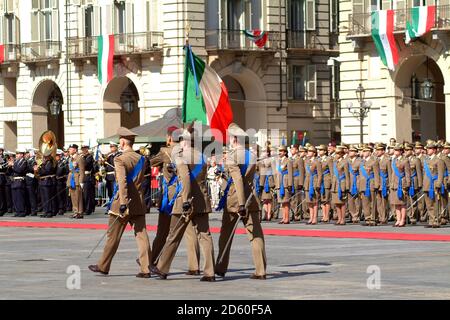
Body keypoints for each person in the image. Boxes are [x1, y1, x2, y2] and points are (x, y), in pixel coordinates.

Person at [152, 126, 215, 282]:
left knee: (173, 235)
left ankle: (162, 267)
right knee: (205, 236)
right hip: (201, 201)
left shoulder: (180, 154)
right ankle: (210, 272)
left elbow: (186, 178)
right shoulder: (201, 156)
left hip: (184, 201)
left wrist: (186, 199)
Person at [89, 127, 152, 278]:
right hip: (138, 201)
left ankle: (103, 265)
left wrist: (123, 202)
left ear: (123, 142)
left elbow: (122, 182)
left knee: (113, 236)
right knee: (142, 235)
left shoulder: (119, 159)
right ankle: (146, 268)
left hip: (122, 204)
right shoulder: (142, 159)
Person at [215, 123, 266, 280]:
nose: (229, 140)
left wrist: (241, 204)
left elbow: (237, 180)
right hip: (252, 199)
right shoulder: (252, 155)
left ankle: (221, 266)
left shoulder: (232, 155)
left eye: (230, 138)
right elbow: (256, 175)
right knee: (256, 236)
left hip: (236, 201)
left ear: (234, 139)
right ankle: (261, 270)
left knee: (225, 235)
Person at [423, 141, 445, 228]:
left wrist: (439, 184)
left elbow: (440, 173)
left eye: (429, 148)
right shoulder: (426, 160)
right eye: (427, 148)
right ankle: (431, 220)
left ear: (434, 150)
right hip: (427, 184)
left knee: (435, 203)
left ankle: (436, 220)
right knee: (428, 204)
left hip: (434, 184)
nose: (427, 150)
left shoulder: (439, 160)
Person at [389, 143, 411, 227]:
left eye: (397, 150)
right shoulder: (394, 160)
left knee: (402, 203)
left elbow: (407, 173)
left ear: (401, 151)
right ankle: (398, 219)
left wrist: (407, 184)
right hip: (394, 184)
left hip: (401, 184)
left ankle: (403, 220)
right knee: (396, 203)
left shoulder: (405, 160)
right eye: (395, 150)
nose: (395, 151)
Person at [359, 145, 380, 226]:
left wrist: (377, 184)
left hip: (371, 183)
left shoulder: (374, 161)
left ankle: (373, 218)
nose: (364, 152)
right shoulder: (362, 162)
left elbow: (376, 174)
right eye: (363, 151)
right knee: (365, 203)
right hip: (363, 185)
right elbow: (360, 175)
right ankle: (367, 218)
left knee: (372, 202)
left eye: (366, 151)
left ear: (370, 152)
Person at [405, 143, 422, 224]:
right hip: (406, 182)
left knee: (413, 199)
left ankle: (413, 216)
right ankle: (408, 215)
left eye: (408, 150)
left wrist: (420, 184)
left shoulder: (416, 160)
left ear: (412, 151)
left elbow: (419, 172)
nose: (406, 151)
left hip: (413, 181)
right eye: (405, 150)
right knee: (407, 200)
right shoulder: (404, 160)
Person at [304, 145, 322, 225]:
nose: (308, 152)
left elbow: (320, 174)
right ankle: (311, 217)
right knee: (309, 202)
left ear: (314, 153)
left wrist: (318, 184)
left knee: (314, 202)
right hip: (308, 183)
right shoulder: (306, 161)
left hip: (314, 183)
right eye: (308, 151)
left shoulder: (317, 162)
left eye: (310, 151)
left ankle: (315, 218)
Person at [331, 146, 349, 225]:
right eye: (336, 153)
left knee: (342, 202)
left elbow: (347, 175)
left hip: (342, 183)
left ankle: (343, 219)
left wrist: (347, 186)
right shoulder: (334, 162)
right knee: (336, 203)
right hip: (335, 184)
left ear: (342, 154)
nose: (336, 155)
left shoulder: (344, 162)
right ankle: (339, 218)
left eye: (338, 153)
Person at [275, 145, 293, 224]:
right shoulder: (278, 161)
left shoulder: (288, 161)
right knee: (282, 202)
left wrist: (290, 184)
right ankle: (283, 217)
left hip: (285, 183)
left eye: (281, 151)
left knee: (286, 202)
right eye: (279, 151)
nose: (279, 153)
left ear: (285, 152)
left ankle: (287, 218)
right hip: (279, 183)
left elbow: (290, 173)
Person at [67, 144, 85, 219]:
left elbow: (82, 170)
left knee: (78, 197)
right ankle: (75, 211)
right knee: (73, 197)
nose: (69, 150)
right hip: (71, 178)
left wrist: (81, 181)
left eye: (70, 149)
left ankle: (80, 212)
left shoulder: (79, 158)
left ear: (75, 150)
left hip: (77, 178)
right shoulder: (70, 158)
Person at [36, 154, 57, 218]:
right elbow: (39, 172)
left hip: (47, 181)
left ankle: (49, 212)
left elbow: (46, 171)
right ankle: (45, 211)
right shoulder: (44, 164)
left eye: (44, 157)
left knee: (47, 198)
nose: (43, 159)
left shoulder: (49, 163)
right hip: (42, 182)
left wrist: (40, 166)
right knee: (43, 198)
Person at [375, 143, 391, 224]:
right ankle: (380, 216)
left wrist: (389, 185)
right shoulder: (375, 160)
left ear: (383, 151)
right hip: (377, 184)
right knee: (379, 202)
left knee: (384, 202)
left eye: (378, 150)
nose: (377, 152)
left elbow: (390, 174)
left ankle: (384, 218)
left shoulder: (387, 160)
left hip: (384, 184)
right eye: (376, 150)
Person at [258, 147, 275, 221]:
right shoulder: (260, 160)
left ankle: (269, 214)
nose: (263, 153)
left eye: (264, 151)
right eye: (262, 151)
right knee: (264, 199)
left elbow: (274, 170)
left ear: (268, 153)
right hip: (262, 180)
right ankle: (265, 213)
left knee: (269, 199)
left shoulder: (271, 160)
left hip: (269, 179)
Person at [10, 149, 28, 217]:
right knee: (15, 198)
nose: (16, 155)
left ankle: (22, 211)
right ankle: (17, 211)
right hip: (14, 181)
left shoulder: (24, 162)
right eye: (16, 154)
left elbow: (20, 170)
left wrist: (13, 165)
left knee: (20, 198)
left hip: (20, 181)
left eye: (18, 154)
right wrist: (9, 167)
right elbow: (10, 172)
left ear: (22, 155)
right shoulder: (16, 162)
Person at [290, 144, 305, 222]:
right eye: (291, 149)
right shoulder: (290, 159)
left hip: (296, 180)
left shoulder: (299, 159)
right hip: (290, 180)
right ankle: (293, 213)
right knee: (292, 199)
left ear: (296, 151)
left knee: (297, 199)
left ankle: (297, 215)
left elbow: (301, 171)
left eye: (293, 149)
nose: (291, 150)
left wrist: (301, 183)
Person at [318, 145, 332, 223]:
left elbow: (331, 171)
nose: (319, 151)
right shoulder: (318, 160)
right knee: (322, 200)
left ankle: (327, 216)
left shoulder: (329, 159)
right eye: (319, 150)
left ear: (325, 151)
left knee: (326, 199)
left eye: (321, 150)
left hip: (326, 180)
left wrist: (332, 182)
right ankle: (323, 215)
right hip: (320, 181)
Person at [347, 145, 361, 224]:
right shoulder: (347, 161)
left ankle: (356, 216)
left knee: (357, 200)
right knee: (350, 201)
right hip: (349, 182)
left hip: (356, 182)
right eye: (350, 151)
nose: (350, 152)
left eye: (352, 151)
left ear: (356, 153)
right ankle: (352, 215)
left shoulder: (359, 161)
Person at [81, 145, 96, 215]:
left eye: (84, 149)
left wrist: (81, 158)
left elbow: (85, 164)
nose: (83, 150)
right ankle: (84, 208)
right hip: (82, 176)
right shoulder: (82, 156)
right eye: (82, 149)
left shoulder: (89, 157)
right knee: (83, 194)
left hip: (87, 176)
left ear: (87, 149)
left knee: (87, 194)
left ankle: (88, 209)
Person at [55, 149, 69, 215]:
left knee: (61, 196)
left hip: (61, 181)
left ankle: (62, 208)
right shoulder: (54, 163)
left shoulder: (63, 163)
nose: (55, 157)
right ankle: (57, 208)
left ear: (60, 156)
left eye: (57, 156)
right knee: (56, 196)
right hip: (55, 181)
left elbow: (66, 173)